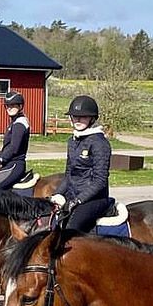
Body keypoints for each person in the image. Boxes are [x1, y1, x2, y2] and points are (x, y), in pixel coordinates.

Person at [49, 95, 112, 232]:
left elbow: (100, 181)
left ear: (92, 119)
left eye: (83, 116)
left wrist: (78, 200)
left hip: (94, 199)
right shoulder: (72, 141)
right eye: (75, 116)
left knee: (71, 229)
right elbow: (68, 174)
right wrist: (57, 194)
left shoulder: (99, 143)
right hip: (73, 195)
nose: (78, 119)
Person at [0, 91, 30, 189]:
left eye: (13, 105)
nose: (9, 108)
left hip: (15, 164)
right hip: (9, 162)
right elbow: (6, 149)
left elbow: (13, 148)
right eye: (7, 106)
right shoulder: (13, 123)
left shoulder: (20, 123)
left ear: (20, 106)